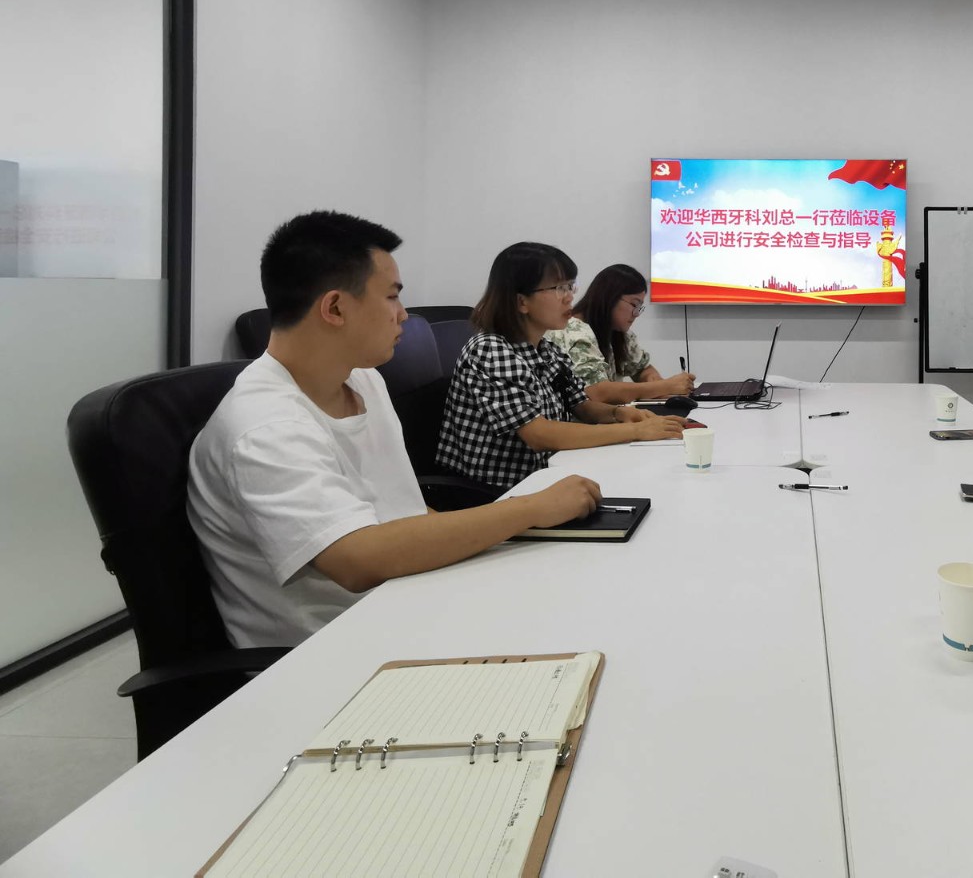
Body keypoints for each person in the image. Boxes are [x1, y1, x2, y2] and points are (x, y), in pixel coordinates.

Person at [188, 212, 603, 649]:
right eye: (392, 297)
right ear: (334, 308)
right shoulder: (264, 424)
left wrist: (508, 547)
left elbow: (406, 511)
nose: (404, 314)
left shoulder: (363, 380)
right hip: (338, 653)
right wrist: (531, 509)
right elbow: (358, 559)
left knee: (580, 598)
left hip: (411, 606)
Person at [437, 243, 685, 488]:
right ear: (522, 302)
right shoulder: (491, 350)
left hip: (548, 475)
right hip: (500, 491)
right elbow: (539, 435)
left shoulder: (546, 350)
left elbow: (583, 406)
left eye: (570, 286)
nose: (569, 297)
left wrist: (619, 414)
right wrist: (636, 431)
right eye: (558, 288)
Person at [545, 263, 696, 404]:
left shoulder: (618, 333)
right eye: (634, 304)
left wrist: (654, 382)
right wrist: (665, 386)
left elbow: (642, 368)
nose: (636, 314)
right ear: (609, 297)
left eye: (640, 307)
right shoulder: (573, 332)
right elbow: (597, 392)